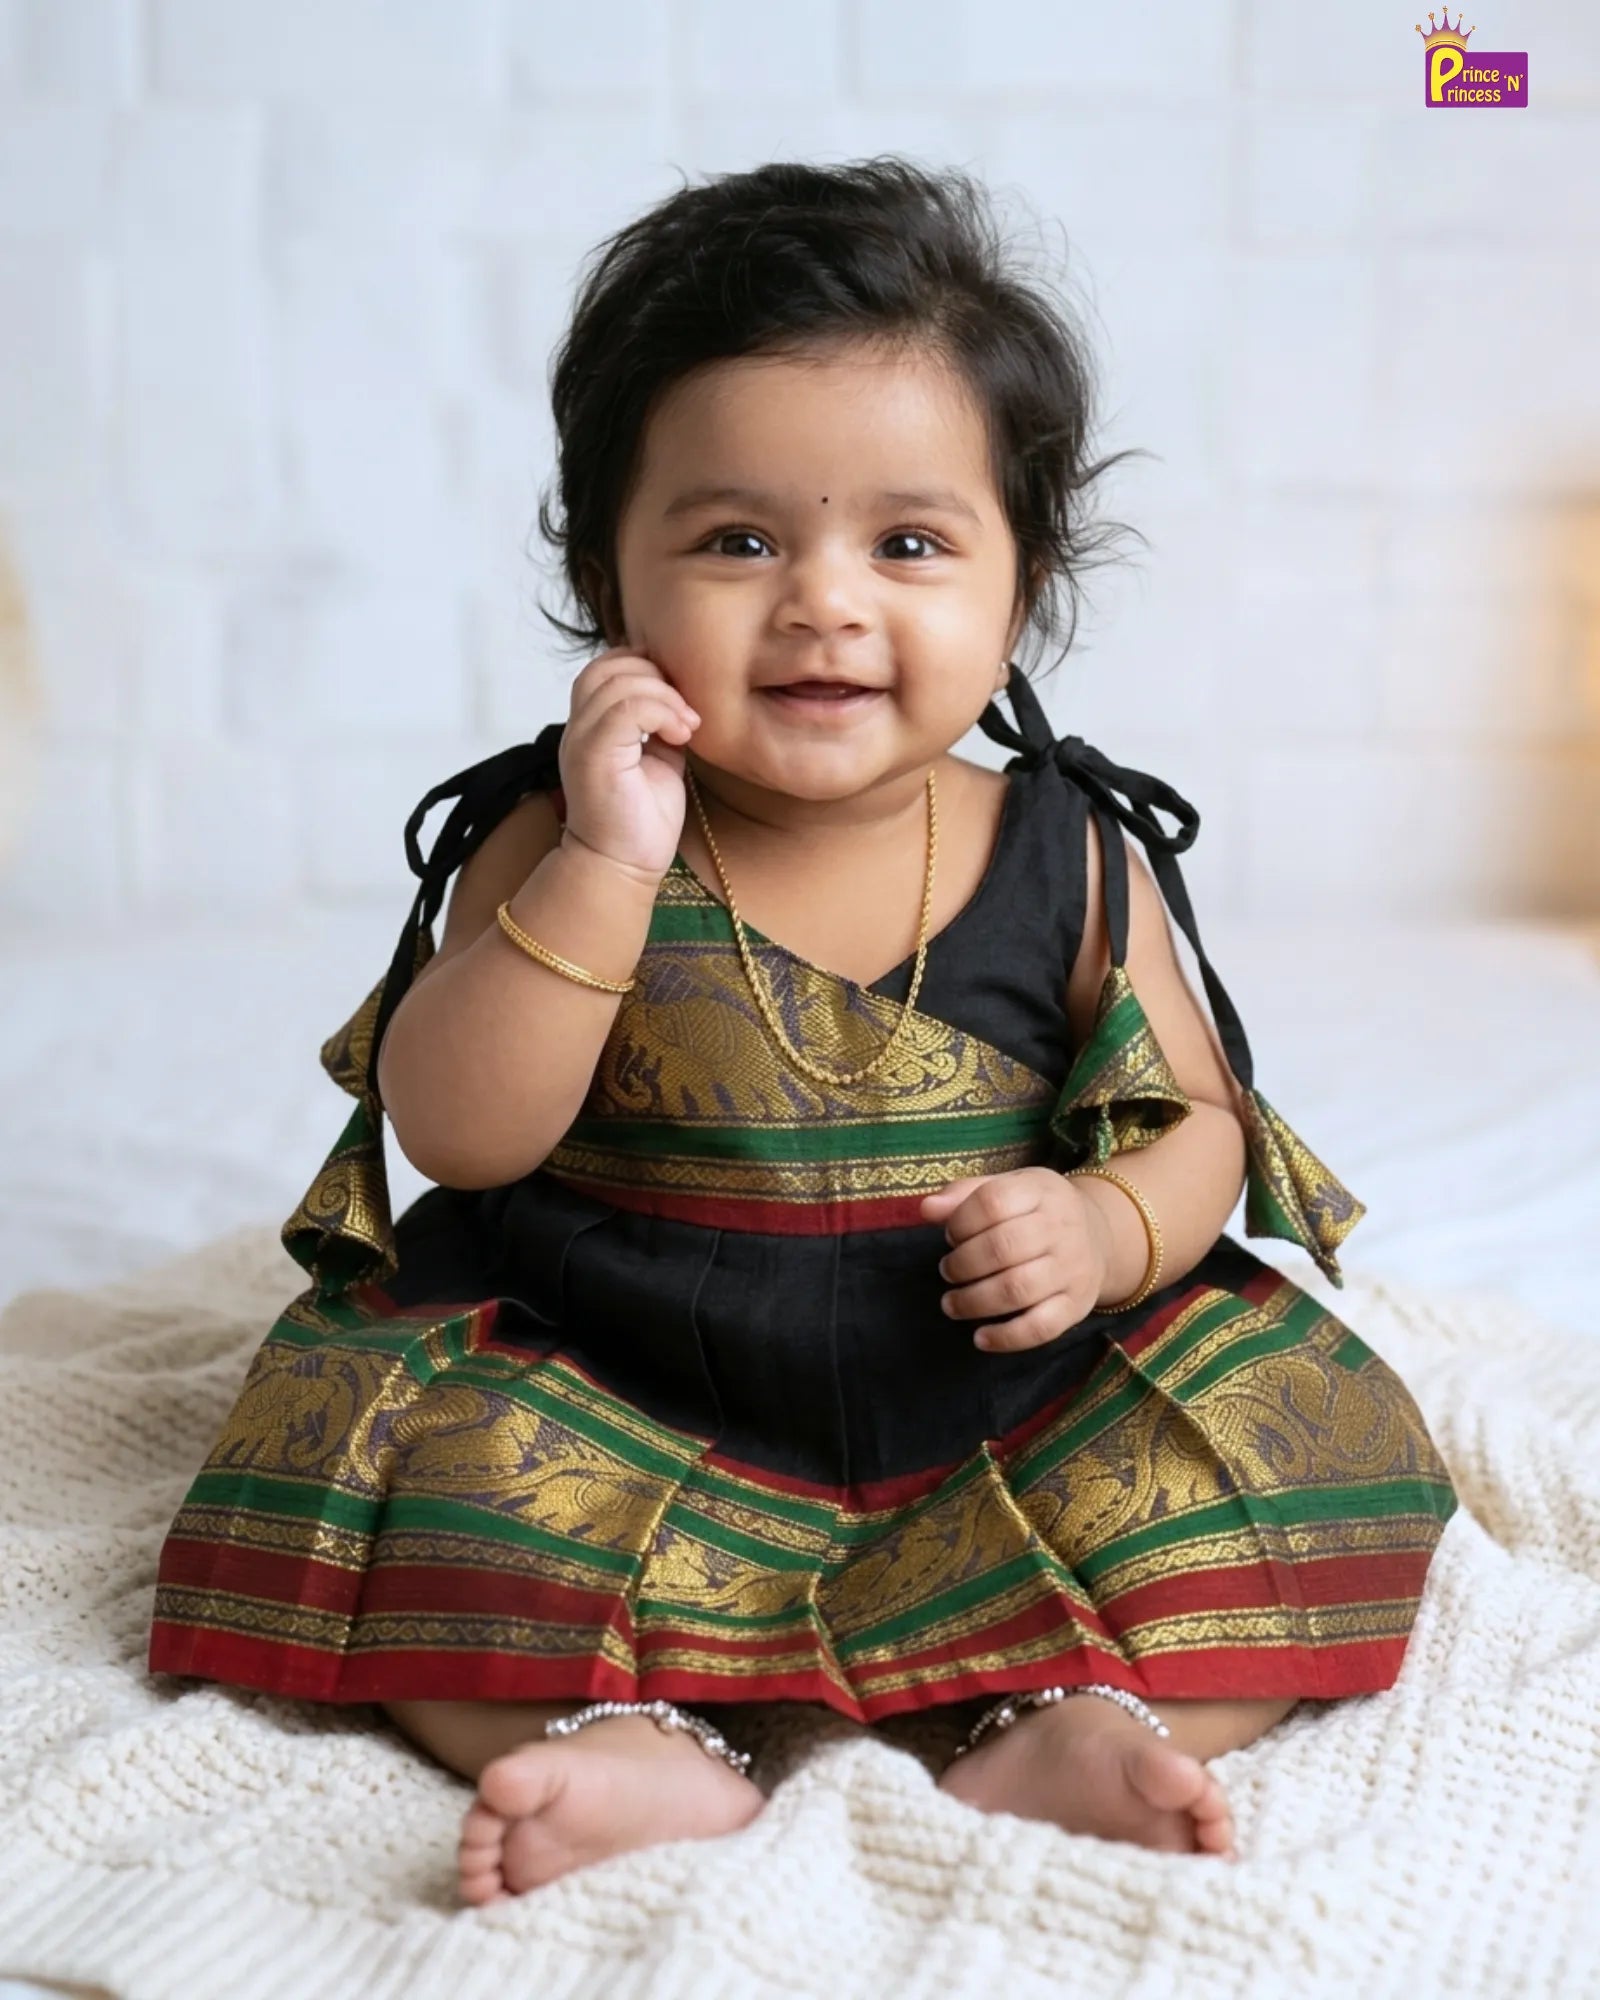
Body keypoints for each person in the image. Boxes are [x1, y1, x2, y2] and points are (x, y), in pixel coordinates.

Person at [146, 157, 1458, 1905]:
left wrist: (1103, 1228)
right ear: (608, 578)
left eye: (908, 544)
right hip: (617, 1382)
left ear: (1022, 585)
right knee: (406, 1503)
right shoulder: (561, 834)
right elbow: (458, 1133)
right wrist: (610, 865)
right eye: (738, 540)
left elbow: (1199, 1125)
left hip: (993, 1398)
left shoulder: (1070, 852)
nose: (824, 600)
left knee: (1282, 1473)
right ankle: (634, 1738)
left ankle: (1062, 1717)